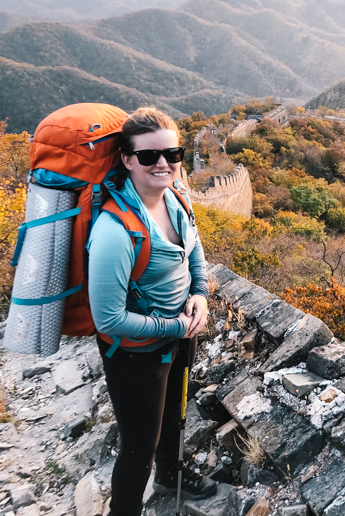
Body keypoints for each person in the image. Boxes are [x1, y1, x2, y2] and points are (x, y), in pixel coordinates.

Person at [87, 108, 217, 515]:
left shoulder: (177, 196)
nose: (163, 163)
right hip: (136, 354)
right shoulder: (114, 230)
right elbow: (107, 319)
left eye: (172, 153)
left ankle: (169, 472)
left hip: (179, 335)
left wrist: (200, 292)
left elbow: (192, 248)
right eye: (148, 156)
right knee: (138, 446)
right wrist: (177, 324)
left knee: (174, 415)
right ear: (127, 159)